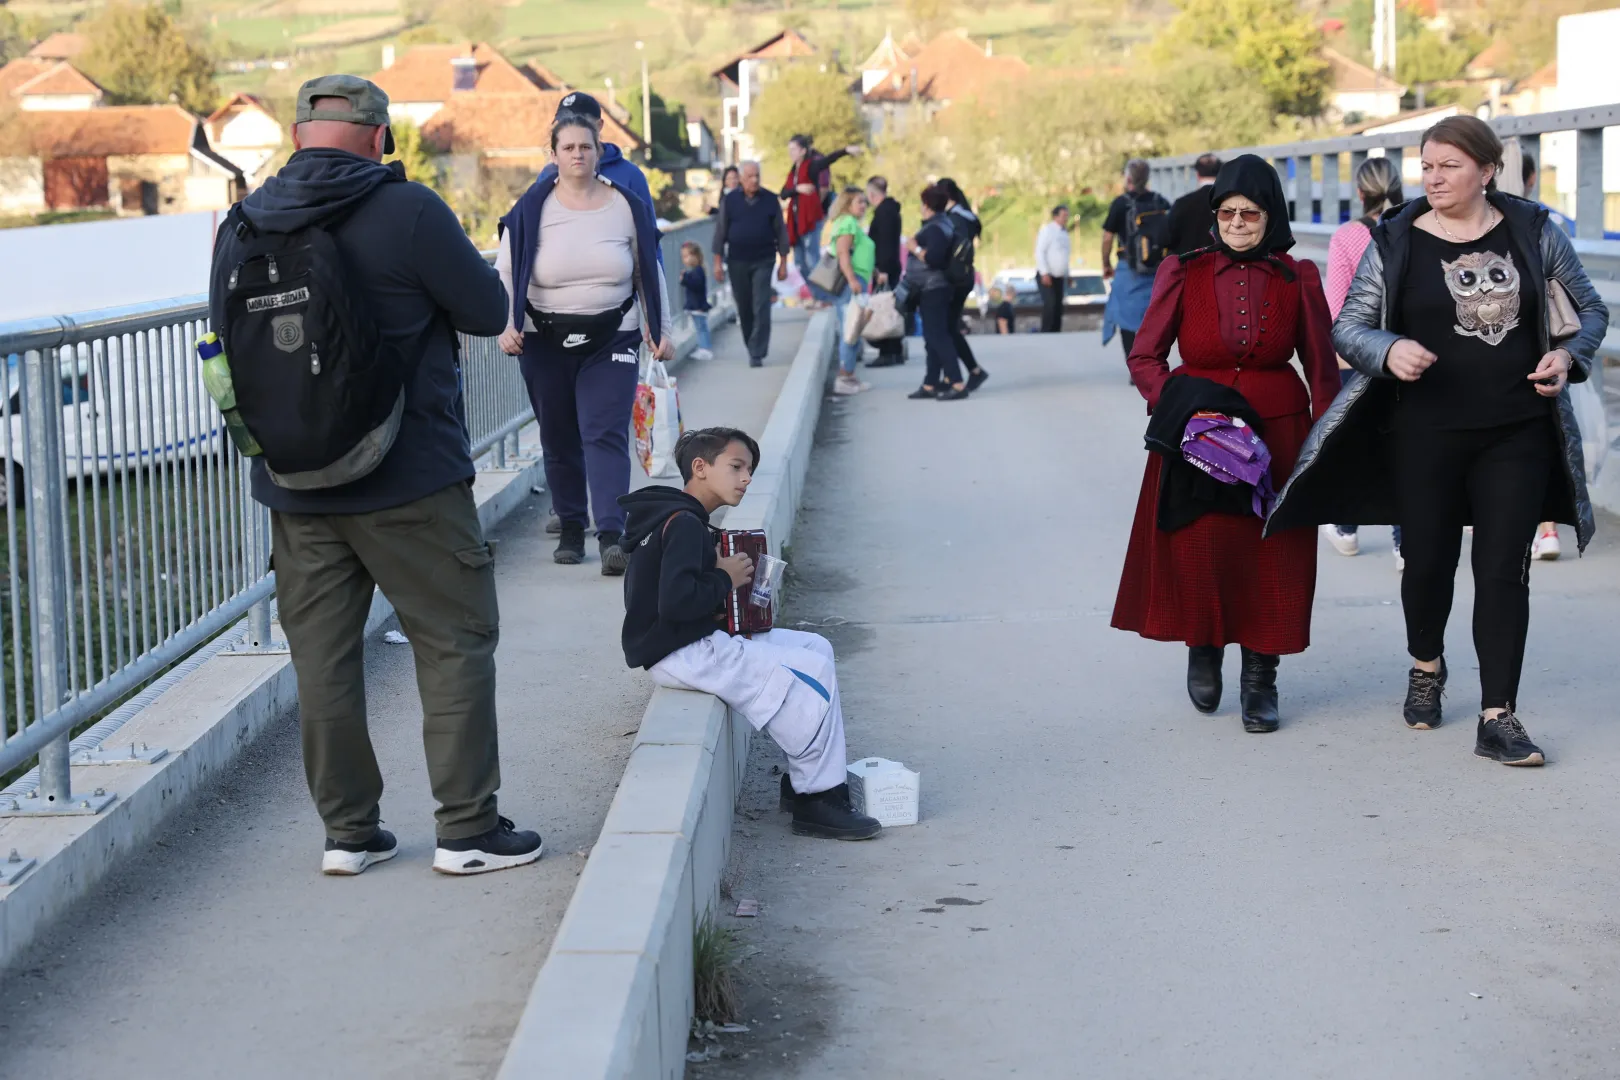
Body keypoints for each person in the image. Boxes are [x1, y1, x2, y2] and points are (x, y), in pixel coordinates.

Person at [207, 75, 542, 876]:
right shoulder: (410, 210)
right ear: (378, 137)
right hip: (411, 478)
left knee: (323, 661)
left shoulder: (242, 222)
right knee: (453, 641)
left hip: (295, 484)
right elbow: (490, 312)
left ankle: (349, 836)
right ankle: (466, 830)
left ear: (296, 137)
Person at [1269, 116, 1608, 765]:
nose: (1433, 177)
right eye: (1426, 165)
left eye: (1449, 166)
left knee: (1503, 570)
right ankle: (1427, 664)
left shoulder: (1534, 231)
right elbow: (1350, 327)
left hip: (1517, 431)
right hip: (1422, 432)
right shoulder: (1396, 238)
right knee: (1427, 564)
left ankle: (1498, 715)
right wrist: (1388, 348)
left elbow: (1589, 310)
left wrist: (1569, 359)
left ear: (1487, 169)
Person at [1112, 155, 1339, 734]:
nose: (1238, 223)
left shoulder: (1300, 276)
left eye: (1251, 213)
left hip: (1278, 433)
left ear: (1271, 216)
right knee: (1204, 549)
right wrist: (1179, 408)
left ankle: (1261, 678)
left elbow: (1322, 370)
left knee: (1273, 558)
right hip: (1199, 437)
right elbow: (1145, 356)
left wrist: (1324, 446)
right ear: (1215, 215)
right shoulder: (1180, 272)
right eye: (1228, 212)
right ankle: (1204, 647)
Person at [618, 427, 882, 841]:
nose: (746, 478)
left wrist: (732, 598)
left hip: (691, 640)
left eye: (750, 470)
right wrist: (724, 579)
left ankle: (804, 784)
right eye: (737, 467)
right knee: (805, 675)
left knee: (816, 645)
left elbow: (674, 598)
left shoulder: (680, 518)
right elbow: (676, 603)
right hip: (684, 652)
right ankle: (818, 799)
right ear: (700, 468)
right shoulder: (684, 523)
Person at [498, 103, 672, 574]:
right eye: (568, 147)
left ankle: (612, 532)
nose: (577, 154)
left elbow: (648, 271)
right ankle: (572, 527)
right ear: (553, 154)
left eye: (585, 147)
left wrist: (661, 329)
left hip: (611, 335)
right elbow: (506, 271)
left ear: (599, 153)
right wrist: (505, 325)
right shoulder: (531, 208)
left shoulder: (625, 206)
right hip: (542, 337)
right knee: (557, 435)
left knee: (604, 431)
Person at [1318, 156, 1406, 568]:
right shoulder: (1416, 229)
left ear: (1360, 192)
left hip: (1359, 352)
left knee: (1355, 440)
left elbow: (1337, 308)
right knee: (1404, 445)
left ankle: (1347, 528)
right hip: (1408, 351)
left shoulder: (1348, 238)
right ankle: (1404, 543)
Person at [1521, 151, 1573, 560]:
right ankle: (1549, 530)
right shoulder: (1547, 224)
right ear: (1533, 177)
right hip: (1546, 354)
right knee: (1546, 442)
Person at [713, 161, 790, 368]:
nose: (754, 180)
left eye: (757, 176)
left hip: (764, 259)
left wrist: (783, 263)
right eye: (750, 176)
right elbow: (720, 232)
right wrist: (717, 263)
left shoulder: (770, 199)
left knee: (762, 304)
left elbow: (781, 232)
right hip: (737, 260)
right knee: (745, 306)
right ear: (741, 178)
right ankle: (751, 344)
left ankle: (757, 351)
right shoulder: (730, 201)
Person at [904, 184, 970, 400]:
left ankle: (957, 382)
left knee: (937, 336)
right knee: (932, 337)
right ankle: (930, 383)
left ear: (926, 206)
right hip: (936, 287)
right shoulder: (945, 224)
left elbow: (934, 259)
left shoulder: (934, 228)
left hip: (933, 287)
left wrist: (914, 247)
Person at [781, 134, 862, 307]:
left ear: (803, 151)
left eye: (794, 149)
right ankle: (819, 295)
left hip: (809, 220)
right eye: (790, 150)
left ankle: (826, 297)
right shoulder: (793, 171)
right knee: (799, 263)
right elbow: (784, 193)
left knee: (812, 260)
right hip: (796, 223)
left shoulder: (811, 166)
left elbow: (827, 160)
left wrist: (846, 150)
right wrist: (798, 188)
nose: (791, 153)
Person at [1102, 159, 1168, 362]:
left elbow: (1107, 238)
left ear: (1128, 178)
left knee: (1127, 318)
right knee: (1153, 317)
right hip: (1157, 269)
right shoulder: (1160, 201)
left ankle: (1134, 364)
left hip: (1128, 268)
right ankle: (1153, 360)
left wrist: (1105, 263)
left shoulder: (1121, 203)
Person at [938, 178, 990, 391]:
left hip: (954, 277)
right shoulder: (966, 216)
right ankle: (962, 373)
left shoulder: (954, 220)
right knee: (949, 327)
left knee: (947, 328)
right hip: (965, 276)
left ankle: (969, 371)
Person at [825, 186, 875, 396]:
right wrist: (852, 279)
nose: (863, 206)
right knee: (850, 329)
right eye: (859, 202)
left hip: (857, 280)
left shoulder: (851, 223)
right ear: (847, 204)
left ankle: (850, 374)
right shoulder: (846, 223)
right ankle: (845, 376)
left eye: (865, 202)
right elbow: (843, 253)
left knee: (854, 328)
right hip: (850, 283)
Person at [865, 175, 905, 367]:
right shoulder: (891, 211)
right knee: (890, 307)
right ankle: (894, 349)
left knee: (884, 309)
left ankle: (887, 350)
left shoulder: (884, 214)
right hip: (890, 266)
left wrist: (882, 269)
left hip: (885, 268)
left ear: (872, 194)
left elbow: (885, 244)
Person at [1166, 153, 1221, 255]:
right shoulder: (1229, 202)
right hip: (1222, 265)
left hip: (1189, 264)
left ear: (1198, 175)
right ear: (1221, 173)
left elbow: (1169, 238)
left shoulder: (1181, 203)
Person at [1034, 204, 1071, 332]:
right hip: (1047, 275)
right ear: (1056, 217)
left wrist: (1068, 274)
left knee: (1058, 307)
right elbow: (1040, 251)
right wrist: (1044, 273)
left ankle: (1056, 332)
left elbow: (1064, 256)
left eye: (1067, 216)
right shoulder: (1048, 230)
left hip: (1059, 275)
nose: (1066, 218)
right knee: (1050, 304)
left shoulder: (1065, 233)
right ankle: (1046, 332)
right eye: (1063, 216)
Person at [680, 241, 713, 362]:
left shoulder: (697, 271)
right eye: (683, 257)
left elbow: (695, 285)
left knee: (701, 328)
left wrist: (685, 279)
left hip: (698, 306)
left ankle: (705, 349)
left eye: (687, 256)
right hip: (697, 305)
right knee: (701, 328)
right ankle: (704, 348)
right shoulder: (697, 271)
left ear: (696, 256)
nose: (685, 260)